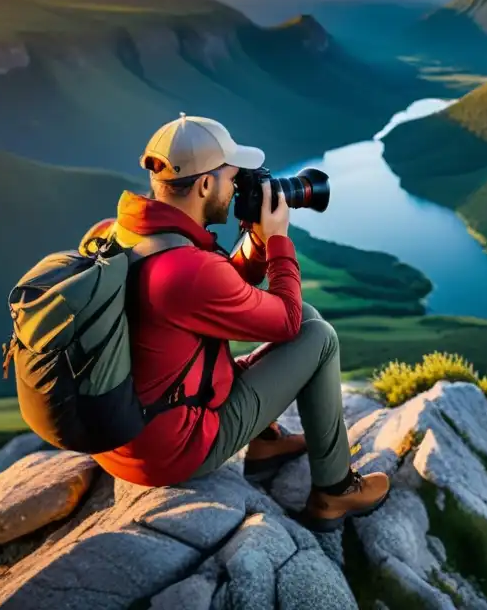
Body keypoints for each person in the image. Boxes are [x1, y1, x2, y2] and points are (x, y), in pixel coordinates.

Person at [85, 113, 390, 531]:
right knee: (316, 335)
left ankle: (264, 442)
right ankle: (335, 491)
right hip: (172, 452)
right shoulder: (185, 269)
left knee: (307, 321)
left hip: (126, 432)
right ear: (205, 184)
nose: (237, 188)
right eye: (232, 177)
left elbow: (214, 292)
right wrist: (279, 238)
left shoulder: (119, 233)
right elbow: (284, 322)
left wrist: (257, 244)